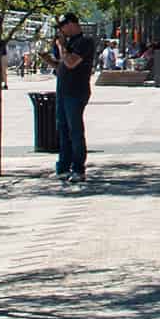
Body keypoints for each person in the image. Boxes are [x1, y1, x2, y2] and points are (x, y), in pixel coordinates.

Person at [51, 11, 95, 187]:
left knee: (74, 130)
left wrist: (61, 46)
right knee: (62, 129)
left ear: (71, 24)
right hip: (63, 89)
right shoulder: (68, 43)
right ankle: (63, 166)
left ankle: (78, 168)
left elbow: (71, 62)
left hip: (76, 91)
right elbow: (62, 64)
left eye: (63, 27)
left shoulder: (84, 42)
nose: (62, 32)